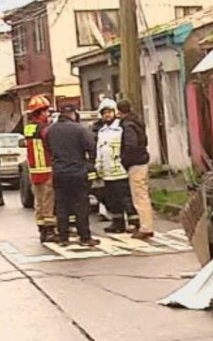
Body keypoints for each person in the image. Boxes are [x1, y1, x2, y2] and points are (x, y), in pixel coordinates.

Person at [46, 104, 99, 247]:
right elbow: (91, 147)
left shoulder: (51, 130)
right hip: (77, 172)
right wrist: (89, 164)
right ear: (74, 114)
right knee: (80, 204)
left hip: (59, 172)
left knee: (62, 205)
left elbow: (48, 148)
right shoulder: (80, 129)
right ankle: (85, 237)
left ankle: (63, 237)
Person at [95, 98, 139, 233]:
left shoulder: (121, 128)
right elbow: (100, 151)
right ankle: (117, 223)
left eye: (109, 112)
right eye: (104, 113)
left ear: (115, 112)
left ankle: (133, 222)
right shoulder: (102, 131)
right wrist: (99, 166)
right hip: (107, 172)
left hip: (120, 170)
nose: (107, 115)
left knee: (125, 198)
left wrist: (124, 162)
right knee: (112, 200)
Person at [23, 95, 59, 243]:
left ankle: (42, 230)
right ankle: (50, 231)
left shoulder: (29, 127)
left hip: (34, 170)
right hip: (46, 169)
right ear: (41, 112)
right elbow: (51, 146)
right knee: (48, 201)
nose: (48, 115)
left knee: (38, 202)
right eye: (46, 112)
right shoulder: (45, 129)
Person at [117, 99, 154, 239]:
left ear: (119, 111)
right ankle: (146, 224)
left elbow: (131, 145)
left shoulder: (128, 126)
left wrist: (124, 160)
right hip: (142, 161)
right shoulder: (137, 122)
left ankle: (146, 227)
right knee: (142, 194)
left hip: (135, 163)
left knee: (139, 196)